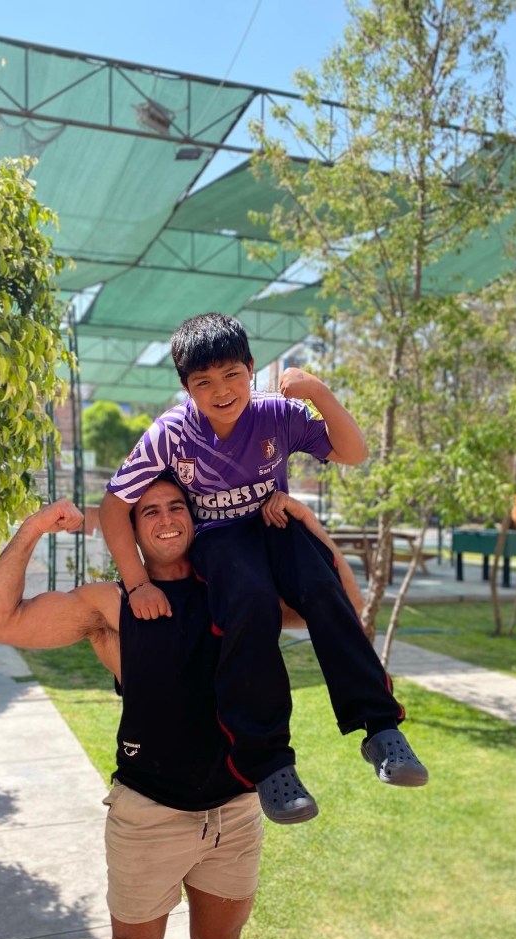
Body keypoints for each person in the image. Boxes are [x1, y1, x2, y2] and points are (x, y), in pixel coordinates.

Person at [0, 478, 353, 939]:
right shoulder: (112, 603)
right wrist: (32, 528)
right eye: (149, 511)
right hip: (149, 815)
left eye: (177, 506)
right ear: (129, 529)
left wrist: (309, 525)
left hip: (235, 813)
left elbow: (345, 605)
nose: (167, 519)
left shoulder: (241, 590)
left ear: (195, 517)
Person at [99, 312, 428, 826]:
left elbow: (354, 452)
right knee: (251, 606)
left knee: (322, 588)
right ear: (186, 387)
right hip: (219, 541)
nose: (221, 391)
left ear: (251, 368)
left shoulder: (277, 414)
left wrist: (316, 391)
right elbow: (113, 506)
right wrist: (137, 582)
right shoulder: (170, 435)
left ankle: (381, 728)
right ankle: (270, 763)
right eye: (203, 382)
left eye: (232, 374)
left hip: (275, 525)